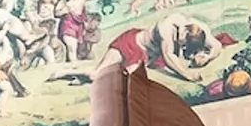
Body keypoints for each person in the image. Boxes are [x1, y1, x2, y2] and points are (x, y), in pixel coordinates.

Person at [87, 13, 224, 84]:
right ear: (185, 32)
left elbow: (217, 46)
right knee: (97, 74)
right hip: (131, 43)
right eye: (183, 44)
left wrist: (207, 57)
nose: (182, 47)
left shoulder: (200, 29)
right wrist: (187, 74)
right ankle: (76, 72)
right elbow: (169, 57)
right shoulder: (168, 26)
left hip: (145, 57)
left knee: (123, 78)